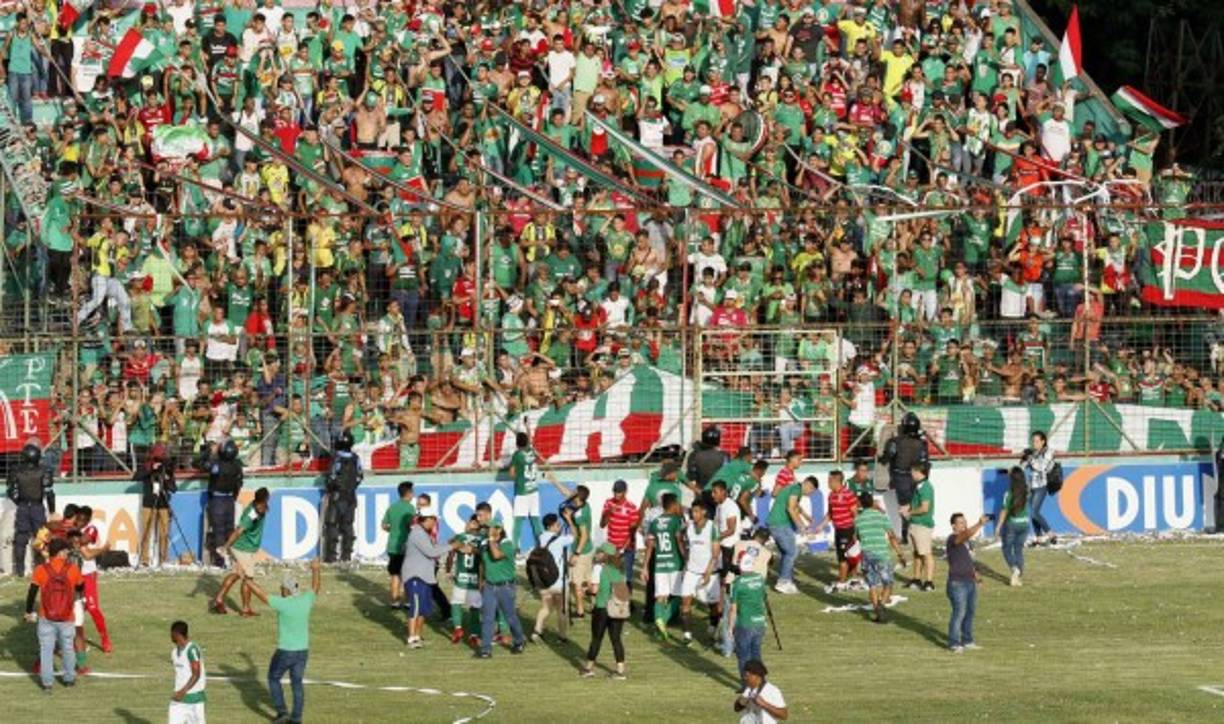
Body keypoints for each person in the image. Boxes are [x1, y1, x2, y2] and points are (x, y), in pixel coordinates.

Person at [247, 558, 321, 724]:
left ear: (286, 590)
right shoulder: (306, 600)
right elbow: (315, 587)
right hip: (303, 651)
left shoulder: (283, 604)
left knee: (273, 678)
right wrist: (316, 569)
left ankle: (282, 713)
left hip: (285, 651)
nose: (280, 590)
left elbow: (262, 595)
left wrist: (246, 579)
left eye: (282, 588)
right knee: (297, 683)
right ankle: (296, 718)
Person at [25, 538, 84, 691]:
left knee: (46, 650)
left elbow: (32, 592)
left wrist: (28, 610)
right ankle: (69, 679)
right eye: (66, 551)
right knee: (68, 648)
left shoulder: (40, 570)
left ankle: (47, 684)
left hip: (46, 616)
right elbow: (80, 587)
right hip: (67, 617)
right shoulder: (73, 569)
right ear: (60, 552)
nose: (67, 554)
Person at [401, 504, 464, 648]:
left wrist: (448, 544)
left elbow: (433, 549)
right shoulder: (417, 533)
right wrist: (452, 546)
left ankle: (417, 636)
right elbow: (431, 552)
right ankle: (411, 638)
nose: (435, 522)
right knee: (416, 608)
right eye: (434, 519)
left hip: (426, 576)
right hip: (415, 576)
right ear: (427, 519)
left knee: (424, 608)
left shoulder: (424, 533)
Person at [211, 487, 270, 616]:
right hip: (241, 548)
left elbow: (263, 511)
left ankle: (219, 599)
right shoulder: (251, 515)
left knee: (237, 574)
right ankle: (245, 609)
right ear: (261, 501)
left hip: (247, 548)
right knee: (248, 578)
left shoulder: (261, 508)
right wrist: (225, 547)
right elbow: (238, 531)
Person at [476, 519, 527, 658]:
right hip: (489, 586)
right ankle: (486, 650)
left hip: (505, 586)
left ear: (498, 529)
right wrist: (481, 580)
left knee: (510, 617)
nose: (486, 530)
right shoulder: (485, 544)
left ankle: (519, 641)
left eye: (489, 528)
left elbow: (496, 555)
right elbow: (482, 563)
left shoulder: (507, 544)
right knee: (487, 618)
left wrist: (491, 540)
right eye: (486, 528)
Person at [854, 492, 907, 623]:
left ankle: (877, 610)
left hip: (867, 554)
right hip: (882, 554)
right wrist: (900, 554)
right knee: (887, 583)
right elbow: (892, 536)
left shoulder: (858, 519)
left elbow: (857, 537)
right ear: (872, 502)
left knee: (872, 585)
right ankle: (881, 605)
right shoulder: (881, 517)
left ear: (860, 504)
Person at [640, 493, 686, 641]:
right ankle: (664, 618)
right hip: (674, 563)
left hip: (660, 563)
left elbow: (649, 546)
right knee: (678, 596)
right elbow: (679, 541)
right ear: (672, 505)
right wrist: (686, 558)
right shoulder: (675, 521)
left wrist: (645, 566)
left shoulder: (655, 522)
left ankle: (659, 624)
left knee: (661, 596)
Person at [878, 412, 928, 543]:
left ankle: (906, 536)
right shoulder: (922, 443)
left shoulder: (895, 442)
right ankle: (915, 534)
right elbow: (925, 462)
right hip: (917, 477)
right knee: (916, 506)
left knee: (905, 507)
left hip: (901, 478)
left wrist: (880, 457)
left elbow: (886, 458)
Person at [581, 542, 628, 680]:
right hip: (618, 608)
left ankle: (589, 668)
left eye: (599, 552)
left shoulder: (598, 568)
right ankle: (620, 670)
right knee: (616, 639)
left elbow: (594, 590)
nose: (597, 554)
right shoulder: (620, 569)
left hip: (602, 607)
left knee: (596, 639)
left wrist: (586, 590)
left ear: (604, 555)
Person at [8, 442, 55, 577]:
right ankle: (42, 568)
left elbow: (11, 492)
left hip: (23, 506)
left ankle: (20, 570)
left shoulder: (17, 471)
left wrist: (19, 503)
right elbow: (49, 493)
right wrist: (52, 511)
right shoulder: (43, 471)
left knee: (21, 539)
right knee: (42, 538)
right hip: (37, 507)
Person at [766, 475, 817, 595]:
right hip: (780, 524)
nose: (810, 494)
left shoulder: (794, 489)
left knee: (787, 552)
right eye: (811, 491)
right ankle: (783, 582)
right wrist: (802, 527)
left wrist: (806, 516)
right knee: (792, 552)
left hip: (776, 523)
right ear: (808, 485)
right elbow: (791, 508)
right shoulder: (796, 489)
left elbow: (795, 506)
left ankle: (786, 579)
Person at [679, 499, 720, 646]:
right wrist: (685, 563)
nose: (693, 514)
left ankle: (713, 628)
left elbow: (715, 553)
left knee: (713, 605)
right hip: (691, 571)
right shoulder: (689, 528)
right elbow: (683, 542)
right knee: (685, 601)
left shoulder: (712, 528)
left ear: (703, 512)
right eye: (692, 511)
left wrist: (708, 572)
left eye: (696, 511)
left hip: (709, 572)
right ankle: (687, 635)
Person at [947, 513, 988, 653]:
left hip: (969, 582)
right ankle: (953, 642)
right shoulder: (953, 539)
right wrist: (980, 524)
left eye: (965, 522)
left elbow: (969, 563)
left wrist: (977, 578)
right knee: (959, 613)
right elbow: (964, 535)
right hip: (957, 583)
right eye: (960, 522)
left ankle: (967, 640)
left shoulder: (967, 543)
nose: (964, 524)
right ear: (953, 525)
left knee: (969, 612)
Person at [72, 506, 111, 654]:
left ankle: (105, 638)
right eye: (78, 518)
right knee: (73, 609)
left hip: (88, 573)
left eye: (83, 520)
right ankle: (76, 638)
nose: (80, 522)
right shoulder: (72, 529)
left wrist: (74, 537)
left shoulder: (91, 529)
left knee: (92, 607)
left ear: (88, 520)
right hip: (73, 574)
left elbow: (84, 540)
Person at [531, 513, 573, 643]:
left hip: (544, 581)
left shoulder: (540, 538)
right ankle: (562, 636)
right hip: (559, 581)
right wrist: (570, 520)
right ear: (552, 526)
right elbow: (575, 536)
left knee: (545, 607)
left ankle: (537, 632)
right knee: (561, 610)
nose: (559, 526)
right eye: (558, 524)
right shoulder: (559, 540)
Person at [322, 430, 363, 564]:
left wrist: (330, 487)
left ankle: (331, 556)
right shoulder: (356, 458)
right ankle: (346, 556)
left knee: (332, 525)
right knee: (348, 525)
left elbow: (332, 477)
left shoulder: (336, 458)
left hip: (337, 496)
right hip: (351, 496)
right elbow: (359, 476)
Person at [817, 471, 860, 590]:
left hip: (848, 529)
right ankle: (852, 579)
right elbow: (830, 513)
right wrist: (821, 525)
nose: (828, 483)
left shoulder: (848, 494)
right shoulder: (831, 495)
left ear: (836, 481)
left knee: (845, 556)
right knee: (844, 555)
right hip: (838, 530)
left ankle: (842, 581)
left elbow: (855, 514)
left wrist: (856, 532)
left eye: (830, 480)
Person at [135, 443, 176, 567]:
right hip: (148, 503)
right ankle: (144, 559)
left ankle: (163, 559)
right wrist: (151, 468)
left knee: (164, 533)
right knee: (146, 532)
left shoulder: (167, 467)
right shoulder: (147, 466)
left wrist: (167, 477)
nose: (159, 458)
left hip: (163, 503)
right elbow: (136, 477)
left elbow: (174, 488)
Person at [205, 439, 244, 568]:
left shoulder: (217, 465)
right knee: (229, 530)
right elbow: (239, 483)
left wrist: (210, 453)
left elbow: (201, 465)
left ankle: (221, 561)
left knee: (219, 531)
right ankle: (230, 559)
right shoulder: (237, 465)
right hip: (229, 500)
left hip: (218, 500)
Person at [727, 564, 768, 684]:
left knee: (743, 656)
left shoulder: (737, 583)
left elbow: (733, 608)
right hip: (759, 621)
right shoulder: (760, 578)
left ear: (740, 567)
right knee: (756, 654)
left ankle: (746, 685)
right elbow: (763, 598)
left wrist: (730, 627)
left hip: (745, 623)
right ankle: (761, 682)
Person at [447, 515, 484, 645]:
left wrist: (448, 570)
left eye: (469, 522)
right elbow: (485, 557)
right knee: (475, 608)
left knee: (456, 603)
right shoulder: (483, 540)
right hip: (475, 579)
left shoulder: (460, 537)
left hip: (461, 577)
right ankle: (474, 634)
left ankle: (458, 628)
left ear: (473, 524)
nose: (466, 524)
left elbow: (450, 552)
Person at [380, 481, 416, 608]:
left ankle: (394, 601)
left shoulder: (392, 507)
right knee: (407, 575)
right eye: (412, 492)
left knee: (395, 575)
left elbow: (384, 525)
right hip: (405, 546)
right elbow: (411, 526)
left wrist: (393, 529)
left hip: (392, 545)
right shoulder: (410, 508)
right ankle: (407, 601)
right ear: (409, 493)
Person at [559, 485, 593, 619]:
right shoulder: (585, 505)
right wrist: (553, 480)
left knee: (577, 583)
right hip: (588, 549)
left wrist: (576, 554)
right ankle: (595, 604)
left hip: (581, 550)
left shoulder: (579, 514)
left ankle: (580, 611)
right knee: (587, 580)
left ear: (578, 497)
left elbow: (583, 535)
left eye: (574, 492)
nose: (571, 493)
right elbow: (566, 492)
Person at [902, 462, 936, 592]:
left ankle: (929, 581)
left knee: (926, 553)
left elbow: (925, 507)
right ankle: (916, 579)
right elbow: (918, 504)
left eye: (912, 472)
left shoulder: (925, 487)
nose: (911, 474)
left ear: (918, 472)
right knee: (916, 553)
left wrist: (909, 512)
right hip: (915, 523)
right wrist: (908, 508)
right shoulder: (918, 486)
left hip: (922, 525)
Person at [600, 479, 640, 587]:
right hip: (612, 546)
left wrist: (621, 550)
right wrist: (608, 512)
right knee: (612, 575)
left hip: (627, 547)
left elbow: (632, 533)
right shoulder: (609, 503)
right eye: (615, 491)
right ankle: (612, 601)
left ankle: (628, 602)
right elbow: (602, 524)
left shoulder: (631, 507)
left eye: (619, 492)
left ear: (625, 492)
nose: (616, 494)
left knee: (627, 576)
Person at [997, 466, 1031, 587]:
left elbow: (1004, 511)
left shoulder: (1009, 493)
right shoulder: (1027, 491)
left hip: (1012, 524)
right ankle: (1018, 574)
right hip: (1025, 524)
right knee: (1018, 550)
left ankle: (1014, 568)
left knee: (1006, 548)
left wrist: (998, 527)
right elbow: (1019, 475)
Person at [508, 432, 542, 553]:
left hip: (522, 491)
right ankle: (542, 544)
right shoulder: (532, 451)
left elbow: (511, 473)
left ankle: (515, 547)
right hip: (534, 490)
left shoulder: (517, 455)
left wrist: (518, 476)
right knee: (535, 519)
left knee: (518, 520)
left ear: (517, 443)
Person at [1023, 431, 1058, 544]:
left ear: (1043, 441)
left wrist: (1031, 459)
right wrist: (1024, 459)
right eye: (1033, 441)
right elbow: (1023, 466)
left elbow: (1041, 467)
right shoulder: (1033, 453)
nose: (1034, 443)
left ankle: (1050, 534)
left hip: (1041, 485)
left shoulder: (1048, 452)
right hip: (1031, 486)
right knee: (1032, 514)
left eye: (1037, 441)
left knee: (1034, 512)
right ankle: (1038, 537)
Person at [169, 620, 206, 724]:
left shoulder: (192, 649)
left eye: (171, 634)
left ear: (177, 634)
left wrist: (182, 691)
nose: (170, 636)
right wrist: (179, 693)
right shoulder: (174, 653)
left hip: (194, 700)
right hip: (178, 700)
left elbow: (196, 674)